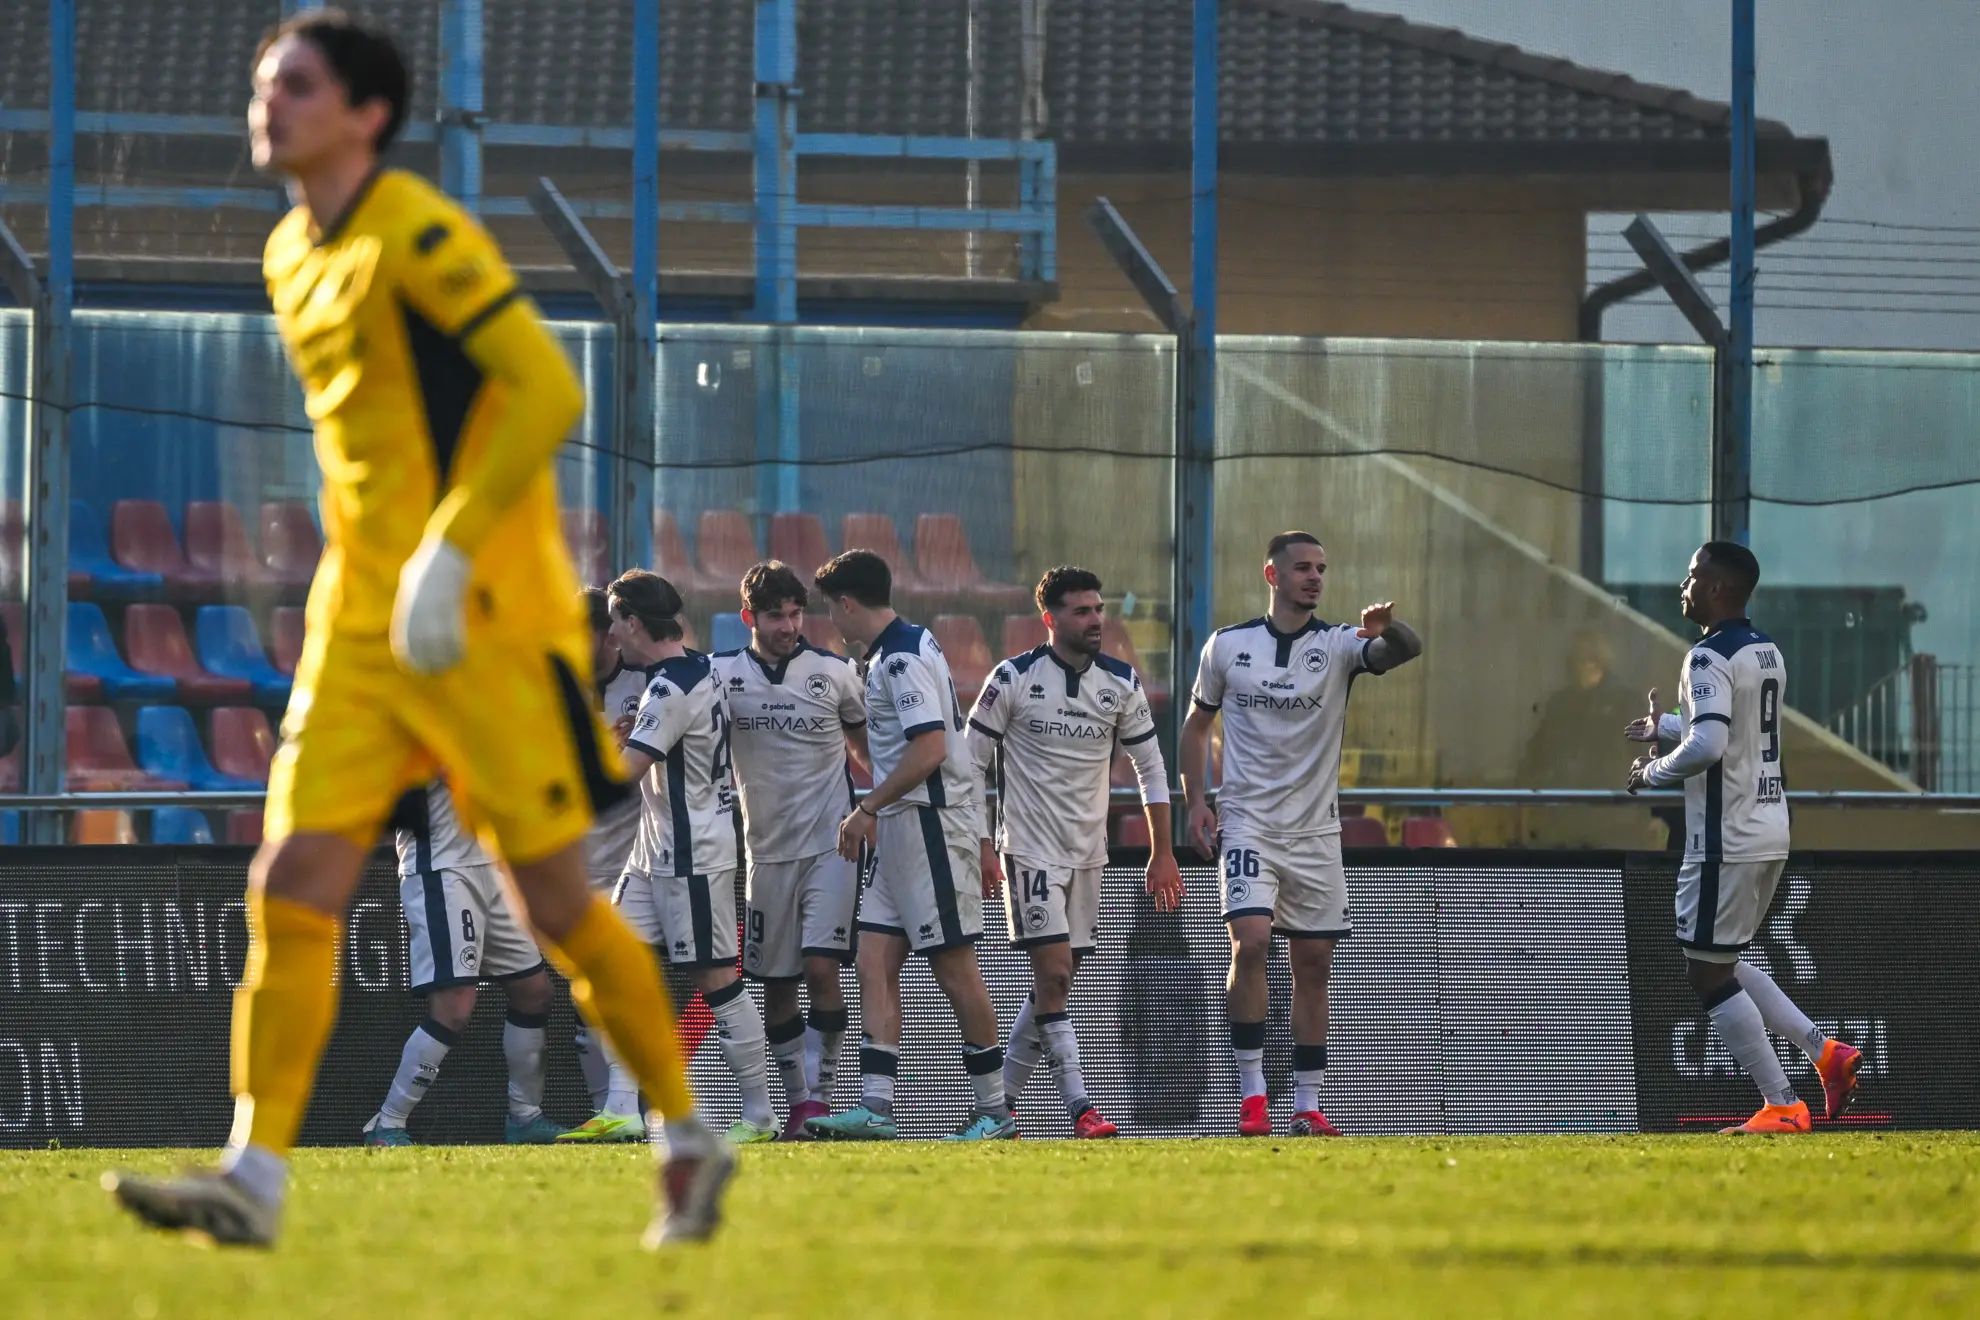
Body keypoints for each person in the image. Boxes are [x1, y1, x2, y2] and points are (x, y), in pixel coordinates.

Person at [105, 13, 730, 1249]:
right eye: (264, 83)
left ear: (367, 114)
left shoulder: (419, 231)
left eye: (296, 85)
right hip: (359, 627)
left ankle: (685, 1130)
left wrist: (448, 550)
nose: (269, 102)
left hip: (483, 618)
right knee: (289, 883)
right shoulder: (290, 250)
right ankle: (253, 1174)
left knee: (553, 905)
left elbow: (543, 387)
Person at [1179, 531, 1422, 1138]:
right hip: (1247, 825)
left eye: (1322, 568)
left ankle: (1307, 1105)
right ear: (1272, 575)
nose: (1315, 577)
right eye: (1303, 568)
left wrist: (1388, 629)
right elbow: (1195, 727)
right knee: (1251, 943)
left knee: (1312, 965)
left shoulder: (1339, 644)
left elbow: (1407, 650)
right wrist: (1196, 802)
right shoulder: (1227, 645)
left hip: (1316, 833)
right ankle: (1253, 1093)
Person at [1625, 541, 1861, 1134]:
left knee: (1706, 974)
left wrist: (1651, 772)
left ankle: (1782, 1105)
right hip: (1770, 827)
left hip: (1725, 836)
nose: (1683, 586)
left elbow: (1709, 746)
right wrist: (1668, 726)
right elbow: (1738, 731)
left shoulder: (1705, 657)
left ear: (1716, 588)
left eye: (1691, 576)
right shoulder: (1765, 649)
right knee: (1721, 960)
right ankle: (1826, 1054)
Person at [558, 570, 777, 1146]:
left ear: (633, 623)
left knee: (718, 980)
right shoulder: (693, 670)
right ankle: (621, 1109)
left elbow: (624, 775)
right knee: (612, 965)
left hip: (692, 854)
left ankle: (760, 1116)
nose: (610, 635)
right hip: (653, 850)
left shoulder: (669, 688)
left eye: (614, 622)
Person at [802, 550, 1013, 1142]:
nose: (831, 621)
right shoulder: (899, 648)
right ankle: (876, 1106)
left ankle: (995, 1112)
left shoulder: (899, 658)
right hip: (900, 829)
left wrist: (866, 807)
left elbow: (930, 749)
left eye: (831, 608)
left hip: (930, 826)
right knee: (873, 961)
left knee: (955, 968)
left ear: (847, 604)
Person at [966, 566, 1182, 1138]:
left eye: (1098, 609)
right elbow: (969, 767)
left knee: (1052, 988)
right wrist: (983, 844)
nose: (1095, 620)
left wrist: (1162, 852)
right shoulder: (1012, 678)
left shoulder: (1121, 681)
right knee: (1057, 976)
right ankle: (1081, 1109)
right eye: (1081, 611)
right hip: (1028, 850)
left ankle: (995, 1110)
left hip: (1089, 856)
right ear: (1050, 618)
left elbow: (1151, 769)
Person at [711, 562, 870, 1140]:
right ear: (749, 617)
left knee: (821, 968)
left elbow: (867, 748)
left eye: (797, 614)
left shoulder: (834, 672)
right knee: (777, 985)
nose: (789, 626)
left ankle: (820, 1098)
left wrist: (879, 808)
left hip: (832, 847)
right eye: (776, 616)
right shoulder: (720, 676)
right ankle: (796, 1102)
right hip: (764, 853)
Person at [362, 780, 567, 1146]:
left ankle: (525, 1117)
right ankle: (388, 1124)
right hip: (441, 865)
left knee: (533, 992)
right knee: (454, 1007)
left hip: (493, 862)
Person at [574, 585, 652, 1112]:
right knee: (589, 999)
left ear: (607, 635)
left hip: (635, 863)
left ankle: (629, 1109)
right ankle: (606, 1112)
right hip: (575, 864)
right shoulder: (553, 688)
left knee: (629, 990)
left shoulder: (646, 684)